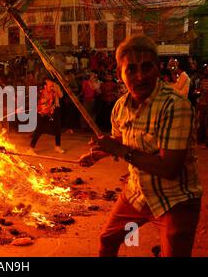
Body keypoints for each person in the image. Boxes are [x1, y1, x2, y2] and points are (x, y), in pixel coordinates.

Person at [78, 35, 202, 257]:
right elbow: (121, 142)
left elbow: (169, 168)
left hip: (176, 200)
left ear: (157, 68)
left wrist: (117, 150)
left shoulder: (175, 106)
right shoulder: (120, 107)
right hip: (137, 194)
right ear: (119, 74)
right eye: (131, 69)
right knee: (107, 241)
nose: (140, 76)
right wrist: (100, 152)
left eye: (147, 67)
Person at [29, 78, 65, 153]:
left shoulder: (54, 92)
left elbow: (61, 96)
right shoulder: (40, 93)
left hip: (51, 112)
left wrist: (56, 88)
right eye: (50, 86)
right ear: (45, 86)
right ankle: (31, 148)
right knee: (39, 130)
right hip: (42, 113)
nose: (52, 87)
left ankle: (57, 146)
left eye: (53, 86)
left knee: (57, 128)